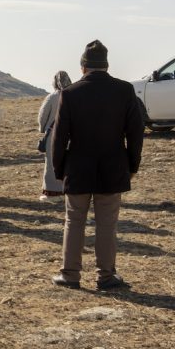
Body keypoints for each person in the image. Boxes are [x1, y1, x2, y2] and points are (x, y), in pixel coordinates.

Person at [51, 40, 144, 291]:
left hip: (78, 168)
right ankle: (106, 276)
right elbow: (135, 133)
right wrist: (132, 165)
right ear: (106, 65)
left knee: (74, 221)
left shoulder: (69, 94)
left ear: (83, 67)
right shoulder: (124, 91)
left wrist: (60, 170)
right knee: (107, 224)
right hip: (113, 166)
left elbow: (59, 138)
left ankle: (70, 274)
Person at [37, 71, 72, 202]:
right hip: (72, 134)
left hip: (55, 133)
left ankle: (52, 193)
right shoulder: (75, 94)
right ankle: (67, 189)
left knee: (52, 163)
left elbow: (42, 116)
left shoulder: (52, 97)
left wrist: (43, 128)